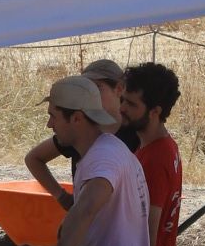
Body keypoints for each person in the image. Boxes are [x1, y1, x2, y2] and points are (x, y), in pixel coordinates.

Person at [44, 74, 152, 246]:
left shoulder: (103, 158)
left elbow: (87, 207)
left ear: (76, 118)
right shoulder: (109, 148)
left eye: (53, 116)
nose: (50, 125)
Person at [24, 54, 129, 212]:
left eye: (97, 87)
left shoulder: (135, 132)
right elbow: (34, 158)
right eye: (87, 87)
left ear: (119, 89)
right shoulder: (83, 129)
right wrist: (62, 197)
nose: (90, 93)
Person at [120, 61, 184, 246]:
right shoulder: (164, 146)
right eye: (122, 100)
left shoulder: (155, 159)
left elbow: (148, 232)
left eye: (131, 104)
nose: (122, 108)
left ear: (155, 111)